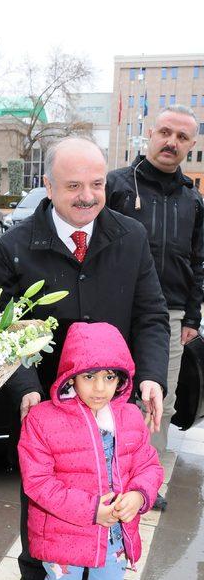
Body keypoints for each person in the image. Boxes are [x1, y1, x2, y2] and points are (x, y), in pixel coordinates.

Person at [0, 135, 170, 580]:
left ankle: (92, 571)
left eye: (96, 183)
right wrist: (25, 387)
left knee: (106, 485)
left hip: (110, 397)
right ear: (48, 185)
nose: (88, 196)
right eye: (73, 186)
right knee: (43, 491)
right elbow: (0, 332)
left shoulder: (129, 236)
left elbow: (151, 314)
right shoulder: (14, 247)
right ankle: (35, 570)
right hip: (46, 405)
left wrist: (152, 374)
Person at [18, 322, 163, 580]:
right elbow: (37, 482)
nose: (100, 387)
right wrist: (89, 510)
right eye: (88, 376)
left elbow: (149, 465)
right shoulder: (43, 420)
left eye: (109, 376)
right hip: (65, 537)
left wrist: (139, 494)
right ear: (70, 376)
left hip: (114, 537)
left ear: (121, 378)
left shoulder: (130, 418)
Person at [107, 105, 204, 506]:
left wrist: (193, 317)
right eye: (165, 132)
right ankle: (103, 475)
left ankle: (145, 482)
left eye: (182, 137)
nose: (171, 142)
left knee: (157, 400)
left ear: (191, 146)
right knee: (105, 395)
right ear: (149, 134)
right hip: (114, 310)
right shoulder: (116, 185)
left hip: (170, 316)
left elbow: (198, 262)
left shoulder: (193, 200)